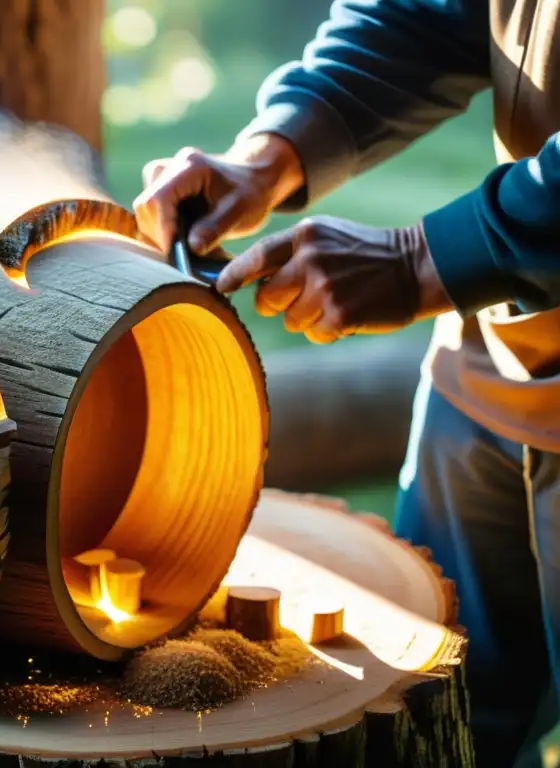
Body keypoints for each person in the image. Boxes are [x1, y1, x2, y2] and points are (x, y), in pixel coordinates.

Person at [133, 1, 560, 765]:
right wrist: (271, 154)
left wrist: (418, 261)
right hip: (487, 365)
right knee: (433, 732)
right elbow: (427, 12)